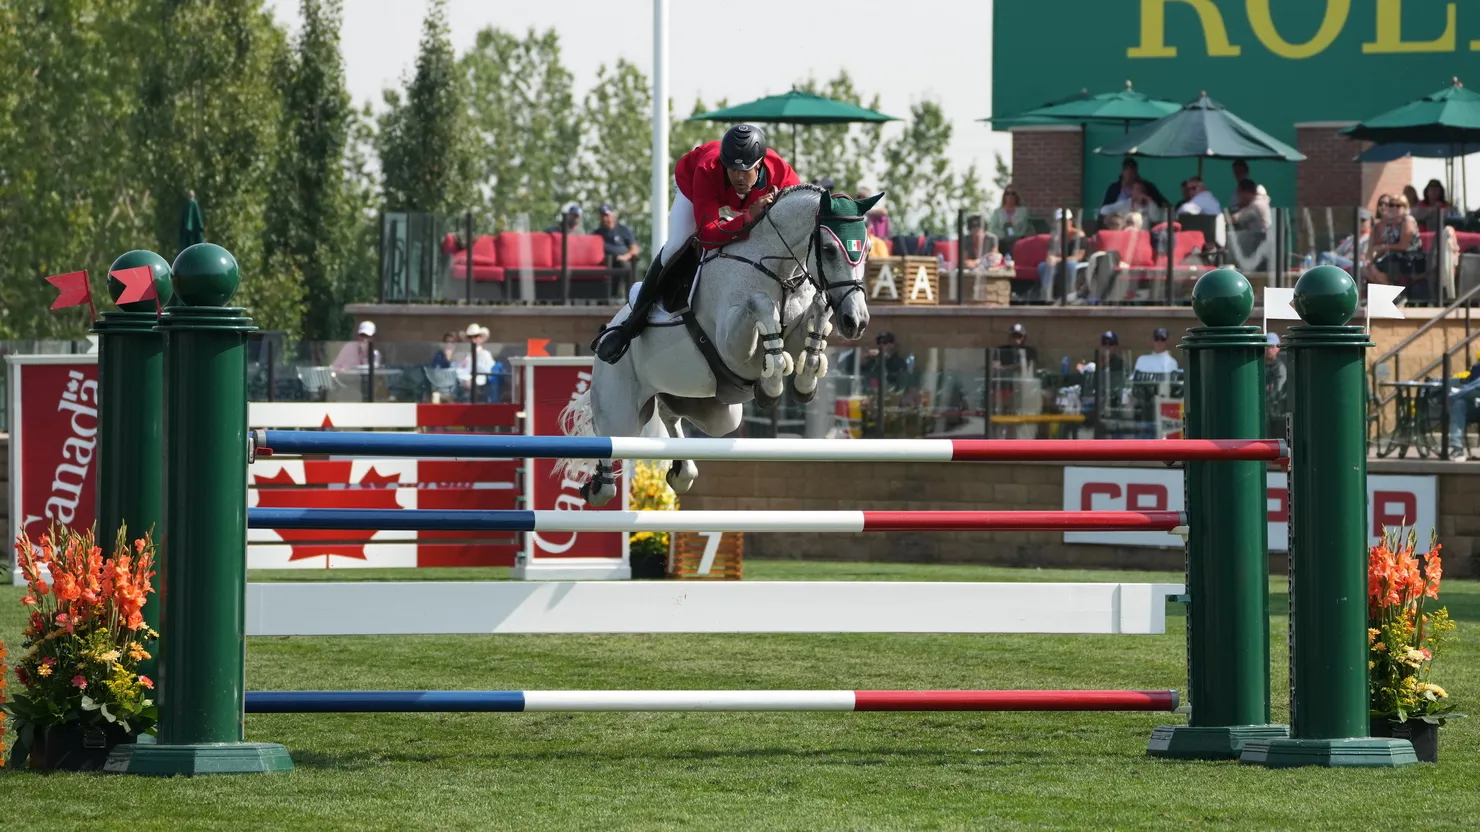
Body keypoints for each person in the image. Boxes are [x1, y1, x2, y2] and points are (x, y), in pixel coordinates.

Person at [592, 124, 801, 364]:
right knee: (675, 245)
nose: (739, 177)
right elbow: (709, 236)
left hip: (749, 203)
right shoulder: (707, 169)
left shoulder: (781, 173)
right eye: (732, 170)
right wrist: (747, 218)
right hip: (693, 186)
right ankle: (629, 326)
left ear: (761, 164)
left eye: (746, 171)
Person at [457, 323, 498, 401]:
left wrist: (472, 381)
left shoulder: (485, 354)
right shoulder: (466, 355)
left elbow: (487, 373)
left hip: (480, 389)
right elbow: (461, 370)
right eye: (470, 337)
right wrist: (465, 380)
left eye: (475, 336)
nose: (473, 339)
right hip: (463, 387)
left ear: (480, 338)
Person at [1265, 332, 1288, 439]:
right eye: (1267, 346)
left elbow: (1278, 388)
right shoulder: (1259, 366)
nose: (1269, 349)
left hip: (1276, 413)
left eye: (1272, 346)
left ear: (1278, 348)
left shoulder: (1280, 368)